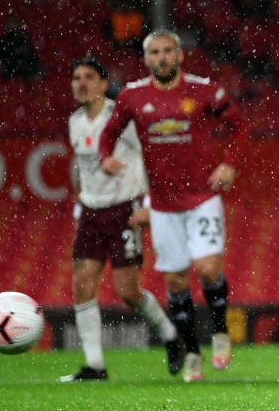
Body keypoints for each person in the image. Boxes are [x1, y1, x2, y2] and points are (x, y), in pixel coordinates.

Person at [99, 29, 249, 383]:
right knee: (176, 281)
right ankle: (193, 351)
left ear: (180, 55)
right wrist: (105, 157)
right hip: (163, 206)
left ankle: (219, 331)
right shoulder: (133, 96)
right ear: (146, 58)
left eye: (168, 51)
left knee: (209, 268)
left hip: (202, 198)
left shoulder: (205, 91)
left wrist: (229, 163)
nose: (162, 58)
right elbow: (109, 133)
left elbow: (240, 126)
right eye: (155, 52)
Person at [59, 57, 183, 382]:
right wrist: (80, 206)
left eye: (88, 77)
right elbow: (83, 170)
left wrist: (149, 205)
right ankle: (94, 366)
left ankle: (170, 335)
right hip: (91, 211)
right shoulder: (75, 122)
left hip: (123, 210)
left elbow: (154, 156)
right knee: (82, 281)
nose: (81, 83)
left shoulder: (122, 118)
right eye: (76, 77)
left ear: (103, 83)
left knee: (127, 290)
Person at [0, 16, 44, 82]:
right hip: (9, 76)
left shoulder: (22, 42)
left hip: (14, 76)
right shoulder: (5, 41)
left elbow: (31, 62)